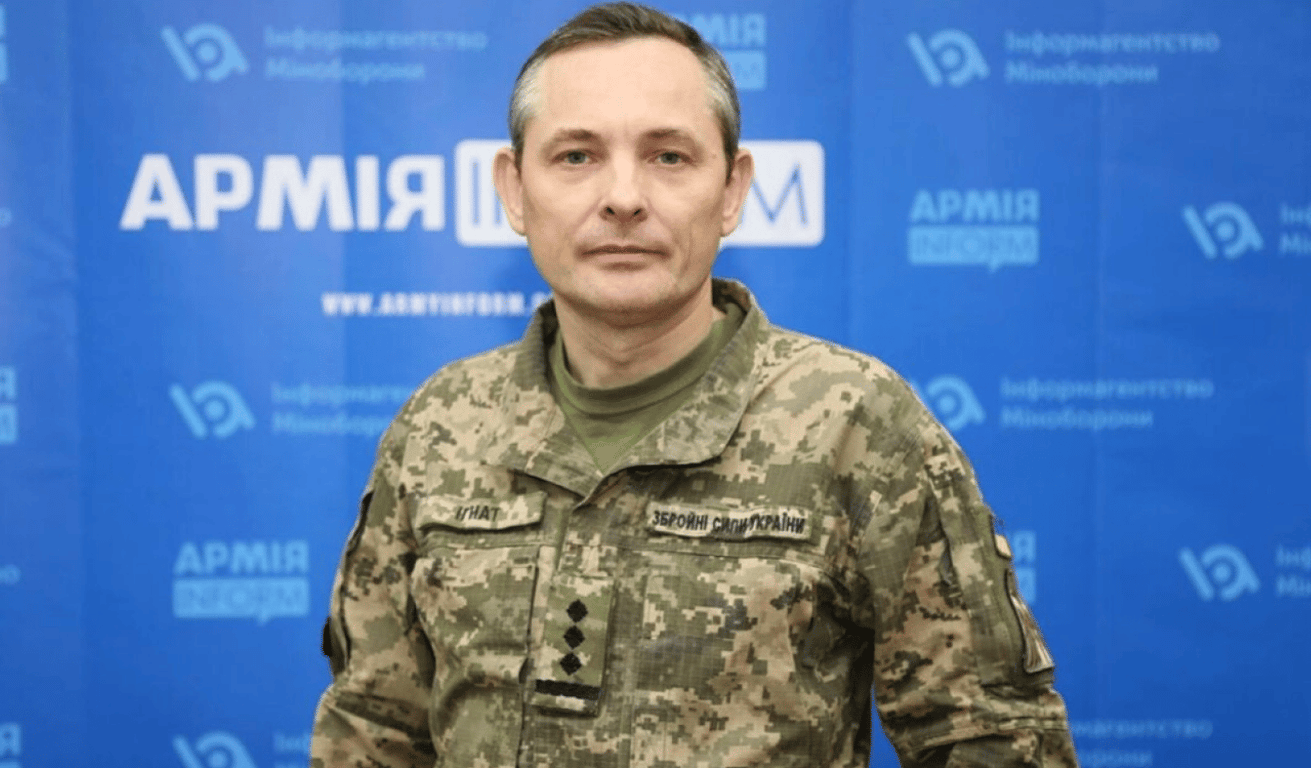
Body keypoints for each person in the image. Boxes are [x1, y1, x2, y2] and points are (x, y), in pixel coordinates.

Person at [309, 3, 1078, 766]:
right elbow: (372, 734)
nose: (623, 197)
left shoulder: (853, 422)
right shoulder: (442, 425)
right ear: (514, 190)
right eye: (576, 156)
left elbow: (993, 740)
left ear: (733, 190)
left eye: (668, 157)